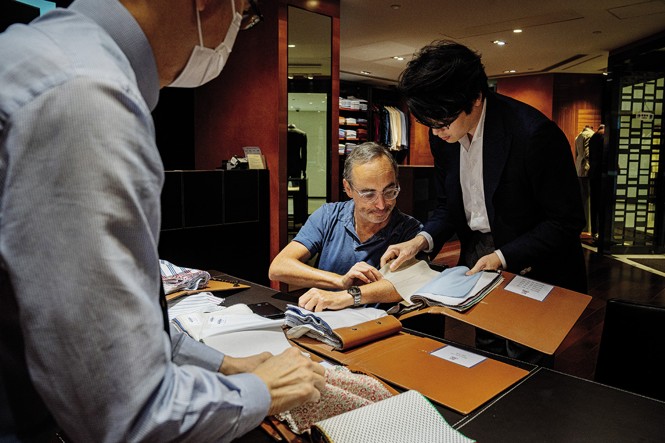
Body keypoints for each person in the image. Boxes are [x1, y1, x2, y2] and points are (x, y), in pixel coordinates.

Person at [0, 1, 325, 441]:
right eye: (245, 13)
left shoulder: (50, 59)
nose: (235, 31)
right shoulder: (84, 96)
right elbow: (125, 414)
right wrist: (261, 390)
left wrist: (225, 365)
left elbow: (104, 320)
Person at [381, 40, 587, 364]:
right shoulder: (445, 136)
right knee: (486, 348)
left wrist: (502, 257)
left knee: (525, 358)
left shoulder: (533, 135)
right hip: (478, 251)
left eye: (442, 123)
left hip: (529, 257)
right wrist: (420, 241)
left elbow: (566, 221)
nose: (436, 133)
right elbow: (449, 204)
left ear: (476, 98)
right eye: (429, 125)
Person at [269, 142, 422, 311]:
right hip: (325, 321)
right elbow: (278, 268)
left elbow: (410, 282)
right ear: (348, 188)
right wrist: (339, 281)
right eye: (369, 194)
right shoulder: (328, 216)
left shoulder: (411, 232)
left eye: (389, 191)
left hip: (379, 327)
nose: (381, 204)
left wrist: (347, 296)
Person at [575, 125, 595, 233]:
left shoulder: (578, 136)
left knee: (582, 198)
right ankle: (588, 226)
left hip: (578, 168)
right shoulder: (590, 135)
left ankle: (583, 225)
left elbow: (577, 154)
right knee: (588, 199)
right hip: (586, 168)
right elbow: (588, 153)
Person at [588, 124, 606, 241]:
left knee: (594, 203)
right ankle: (601, 231)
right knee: (601, 204)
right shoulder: (603, 137)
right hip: (601, 174)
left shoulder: (593, 137)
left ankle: (594, 231)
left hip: (593, 172)